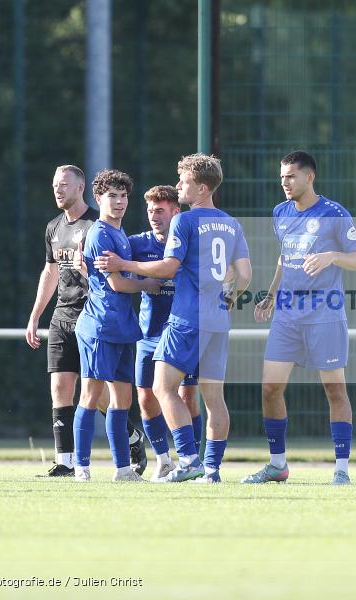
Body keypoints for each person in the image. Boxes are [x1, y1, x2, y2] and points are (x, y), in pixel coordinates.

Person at [95, 154, 251, 484]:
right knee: (214, 398)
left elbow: (168, 268)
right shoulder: (231, 223)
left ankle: (189, 459)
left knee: (162, 387)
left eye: (184, 180)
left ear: (202, 187)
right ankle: (212, 470)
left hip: (187, 319)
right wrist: (231, 298)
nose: (178, 185)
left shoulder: (185, 220)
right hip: (218, 321)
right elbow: (246, 275)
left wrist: (127, 264)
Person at [243, 150, 356, 485]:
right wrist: (270, 294)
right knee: (270, 387)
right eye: (282, 176)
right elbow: (286, 259)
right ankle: (277, 465)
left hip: (324, 312)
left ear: (309, 177)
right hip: (286, 313)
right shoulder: (280, 213)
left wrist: (332, 256)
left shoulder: (334, 213)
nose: (285, 182)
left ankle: (341, 469)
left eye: (291, 176)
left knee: (334, 389)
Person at [25, 165, 147, 477]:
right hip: (63, 317)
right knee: (62, 387)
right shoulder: (54, 227)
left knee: (98, 392)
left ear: (81, 188)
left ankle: (128, 440)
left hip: (93, 315)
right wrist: (35, 314)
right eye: (55, 185)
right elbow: (51, 272)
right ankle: (67, 462)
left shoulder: (97, 225)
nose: (57, 189)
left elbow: (111, 279)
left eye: (64, 184)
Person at [72, 169, 160, 482]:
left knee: (122, 401)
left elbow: (109, 276)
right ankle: (81, 467)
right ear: (98, 198)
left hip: (122, 326)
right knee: (91, 396)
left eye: (123, 195)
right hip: (100, 326)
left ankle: (122, 469)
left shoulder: (120, 234)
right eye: (112, 195)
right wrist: (148, 283)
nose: (119, 201)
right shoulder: (100, 233)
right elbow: (118, 285)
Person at [129, 185, 201, 481]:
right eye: (150, 211)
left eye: (160, 210)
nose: (154, 217)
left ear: (176, 211)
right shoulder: (136, 243)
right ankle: (164, 459)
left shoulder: (189, 241)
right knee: (146, 398)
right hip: (149, 333)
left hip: (183, 331)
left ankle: (193, 459)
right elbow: (102, 263)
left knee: (187, 398)